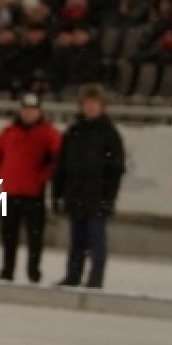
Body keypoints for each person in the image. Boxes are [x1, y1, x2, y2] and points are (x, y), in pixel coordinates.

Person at [52, 84, 125, 289]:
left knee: (96, 240)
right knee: (77, 240)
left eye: (94, 103)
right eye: (87, 103)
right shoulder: (74, 132)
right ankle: (73, 275)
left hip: (97, 196)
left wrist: (109, 198)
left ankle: (95, 278)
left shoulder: (109, 133)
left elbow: (115, 170)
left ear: (102, 105)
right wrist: (57, 194)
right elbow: (62, 165)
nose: (90, 107)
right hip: (75, 194)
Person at [0, 93, 62, 283]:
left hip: (34, 194)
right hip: (10, 192)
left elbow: (58, 158)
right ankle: (7, 269)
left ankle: (33, 271)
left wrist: (42, 177)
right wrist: (2, 176)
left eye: (32, 110)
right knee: (8, 234)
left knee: (34, 236)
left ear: (39, 112)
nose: (28, 114)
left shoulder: (48, 133)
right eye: (25, 110)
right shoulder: (8, 132)